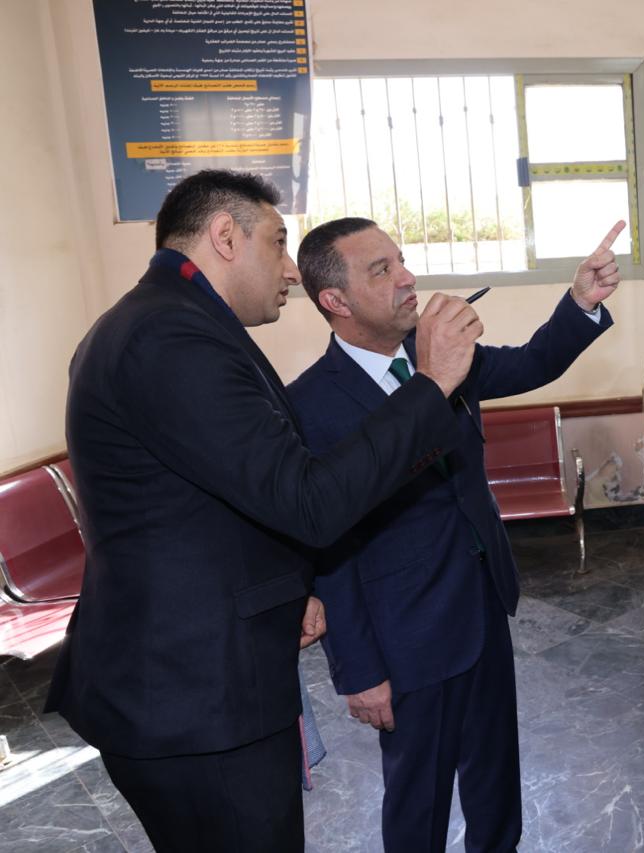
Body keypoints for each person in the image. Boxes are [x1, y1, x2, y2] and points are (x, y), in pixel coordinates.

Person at [45, 170, 484, 853]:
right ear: (225, 236)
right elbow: (307, 500)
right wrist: (429, 386)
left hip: (197, 677)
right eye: (278, 243)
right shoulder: (170, 338)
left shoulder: (168, 323)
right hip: (193, 699)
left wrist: (287, 585)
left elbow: (212, 497)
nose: (289, 269)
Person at [285, 216, 623, 852]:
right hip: (404, 637)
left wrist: (580, 302)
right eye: (382, 270)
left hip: (481, 603)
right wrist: (358, 670)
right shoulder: (307, 407)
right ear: (336, 301)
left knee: (496, 782)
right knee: (420, 801)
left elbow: (533, 362)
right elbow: (328, 549)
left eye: (401, 260)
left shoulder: (439, 355)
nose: (407, 278)